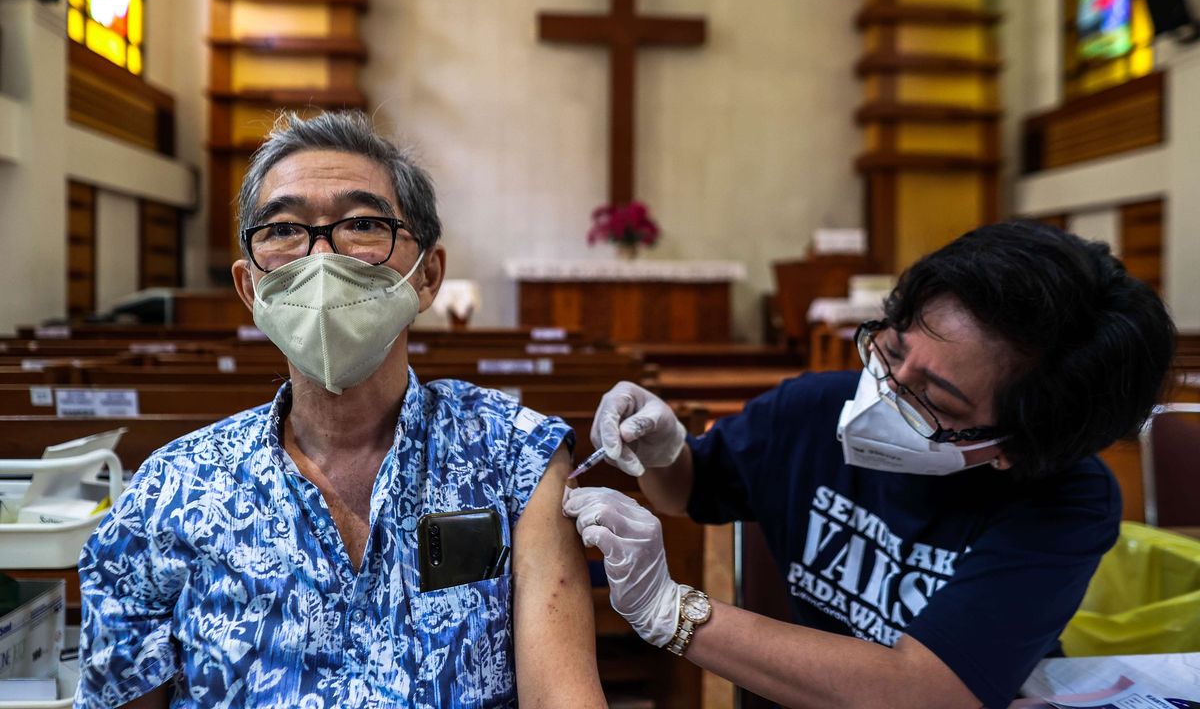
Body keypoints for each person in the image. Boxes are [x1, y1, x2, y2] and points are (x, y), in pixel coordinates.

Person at [75, 111, 606, 708]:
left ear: (427, 275)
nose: (321, 258)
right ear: (251, 288)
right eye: (283, 230)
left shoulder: (514, 457)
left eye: (361, 223)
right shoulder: (170, 490)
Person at [564, 221, 1176, 709]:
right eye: (891, 347)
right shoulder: (812, 409)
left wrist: (672, 613)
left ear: (1014, 446)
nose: (883, 392)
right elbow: (691, 491)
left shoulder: (1066, 501)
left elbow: (926, 690)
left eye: (933, 397)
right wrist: (668, 452)